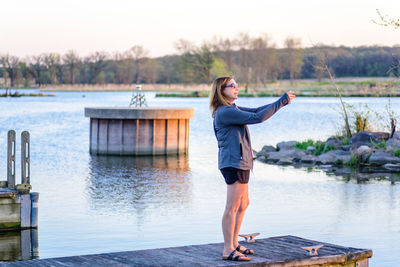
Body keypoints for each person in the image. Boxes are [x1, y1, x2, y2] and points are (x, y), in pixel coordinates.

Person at [209, 76, 295, 261]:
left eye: (236, 84)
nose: (236, 87)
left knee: (243, 203)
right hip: (233, 162)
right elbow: (258, 117)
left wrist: (281, 102)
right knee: (232, 207)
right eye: (231, 85)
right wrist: (282, 101)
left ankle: (234, 243)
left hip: (241, 161)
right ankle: (227, 249)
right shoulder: (224, 112)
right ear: (221, 90)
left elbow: (257, 110)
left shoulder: (232, 109)